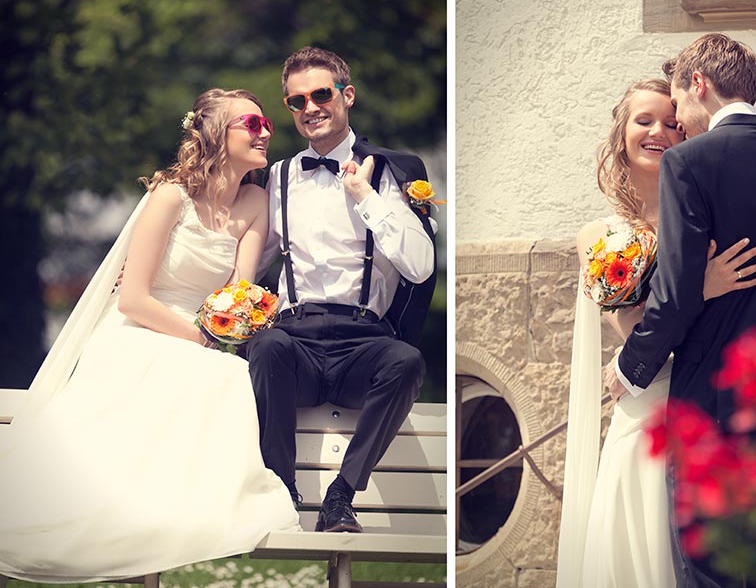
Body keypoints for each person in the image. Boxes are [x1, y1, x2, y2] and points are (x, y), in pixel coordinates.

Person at [0, 89, 297, 584]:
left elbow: (238, 295)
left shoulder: (255, 202)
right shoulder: (169, 196)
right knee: (204, 369)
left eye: (267, 122)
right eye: (252, 122)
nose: (266, 130)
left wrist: (234, 322)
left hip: (199, 336)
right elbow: (132, 298)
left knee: (226, 373)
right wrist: (200, 339)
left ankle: (175, 511)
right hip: (139, 328)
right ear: (217, 135)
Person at [609, 35, 756, 586]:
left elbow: (672, 294)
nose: (679, 123)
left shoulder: (690, 163)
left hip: (712, 410)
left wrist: (630, 367)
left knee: (711, 571)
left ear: (698, 84)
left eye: (678, 102)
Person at [555, 79, 756, 587]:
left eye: (672, 122)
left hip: (708, 406)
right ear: (620, 135)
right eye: (643, 120)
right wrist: (703, 287)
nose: (659, 131)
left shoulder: (708, 216)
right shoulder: (600, 237)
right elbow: (630, 328)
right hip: (647, 405)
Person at [248, 46, 436, 534]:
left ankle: (341, 495)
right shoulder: (279, 177)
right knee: (265, 345)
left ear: (346, 96)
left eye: (321, 94)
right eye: (296, 101)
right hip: (296, 344)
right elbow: (250, 260)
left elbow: (419, 267)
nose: (310, 108)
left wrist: (366, 198)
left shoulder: (392, 171)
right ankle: (282, 491)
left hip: (363, 344)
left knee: (407, 361)